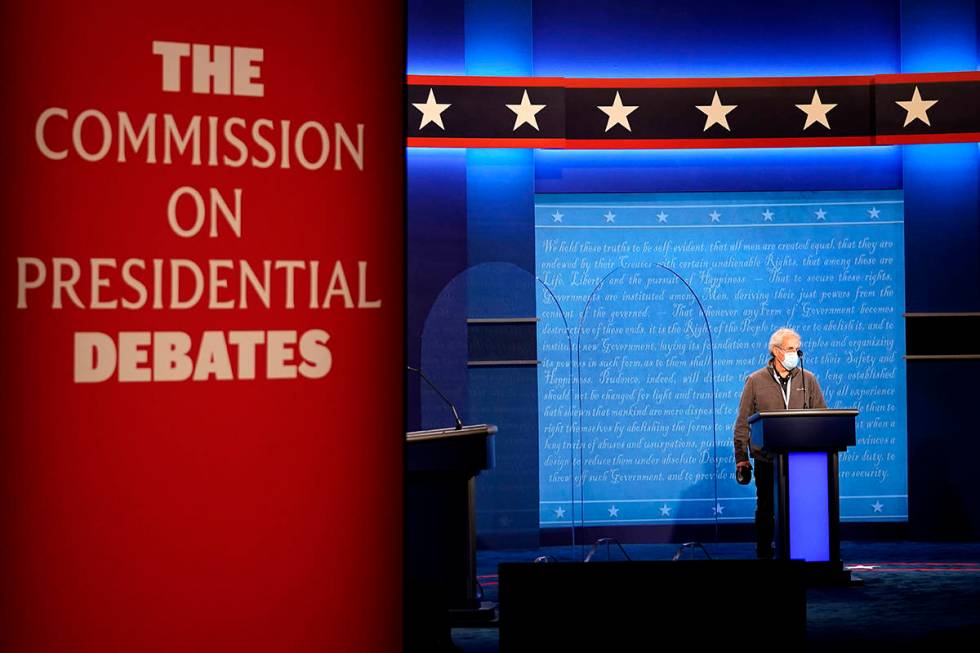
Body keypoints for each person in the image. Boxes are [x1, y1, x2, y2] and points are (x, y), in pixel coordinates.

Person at [733, 327, 826, 559]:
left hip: (802, 460)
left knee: (800, 510)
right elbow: (743, 422)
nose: (795, 353)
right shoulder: (755, 380)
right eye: (790, 349)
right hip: (767, 458)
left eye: (797, 349)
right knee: (766, 508)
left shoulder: (809, 379)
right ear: (776, 351)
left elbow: (823, 417)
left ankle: (802, 553)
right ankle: (764, 553)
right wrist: (741, 458)